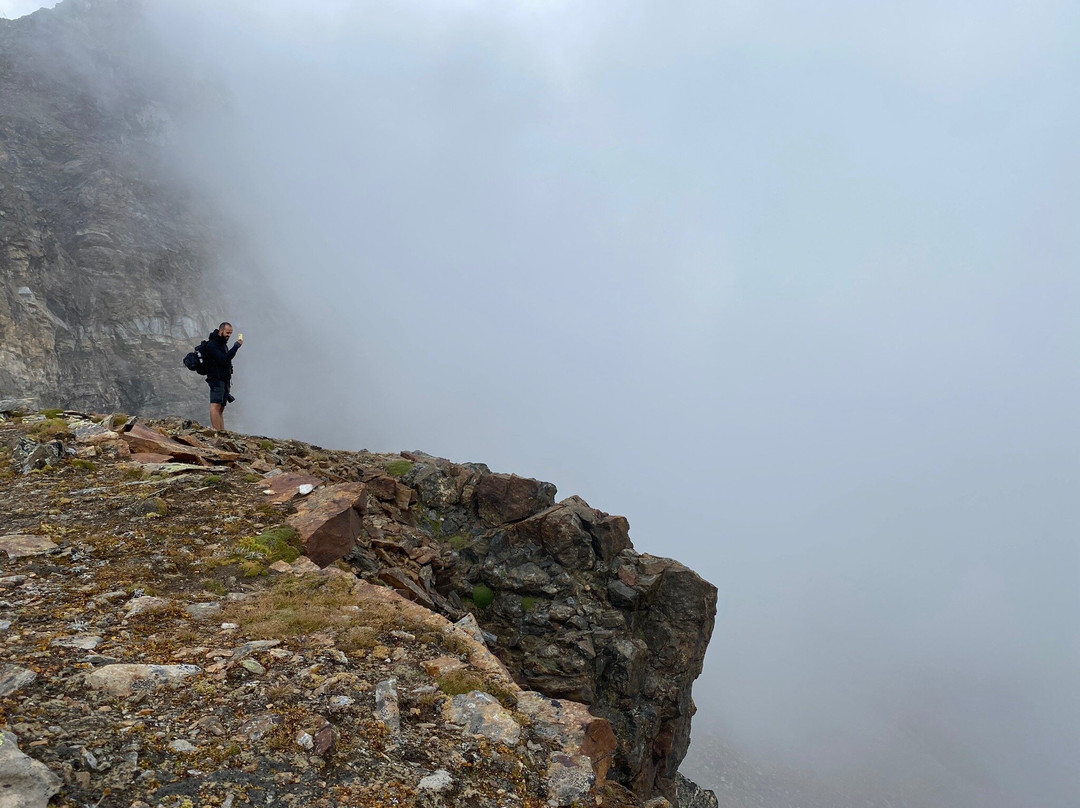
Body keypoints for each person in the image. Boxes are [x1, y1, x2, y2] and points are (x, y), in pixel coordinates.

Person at [203, 321, 242, 432]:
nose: (229, 335)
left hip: (224, 379)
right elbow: (223, 359)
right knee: (215, 405)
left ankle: (222, 432)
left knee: (221, 407)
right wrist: (236, 347)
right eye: (227, 332)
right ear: (221, 331)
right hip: (216, 378)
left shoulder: (222, 344)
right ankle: (216, 431)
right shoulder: (212, 344)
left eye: (230, 333)